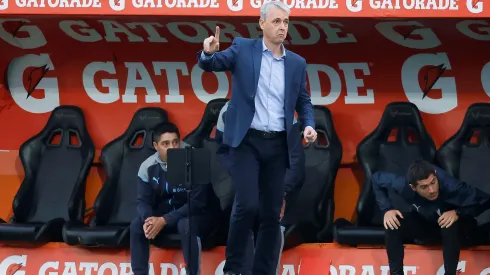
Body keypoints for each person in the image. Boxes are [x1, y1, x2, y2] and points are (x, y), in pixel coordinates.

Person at [197, 1, 317, 273]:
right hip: (246, 142)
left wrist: (308, 124)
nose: (282, 27)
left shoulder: (297, 63)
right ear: (262, 23)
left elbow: (303, 101)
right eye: (276, 21)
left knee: (271, 215)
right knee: (247, 204)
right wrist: (207, 53)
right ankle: (235, 268)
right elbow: (213, 63)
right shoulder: (242, 48)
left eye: (285, 22)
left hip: (278, 144)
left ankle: (263, 270)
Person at [215, 101, 306, 275]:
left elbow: (295, 158)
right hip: (246, 183)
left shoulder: (283, 110)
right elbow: (222, 150)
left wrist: (284, 193)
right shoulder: (229, 110)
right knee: (243, 211)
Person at [372, 160, 490, 275]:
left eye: (433, 182)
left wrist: (457, 212)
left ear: (435, 176)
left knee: (448, 223)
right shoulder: (401, 184)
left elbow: (486, 201)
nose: (432, 190)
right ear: (413, 187)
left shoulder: (453, 187)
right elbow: (376, 178)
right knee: (393, 222)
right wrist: (387, 209)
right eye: (424, 187)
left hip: (458, 230)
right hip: (428, 225)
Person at [130, 122, 216, 275]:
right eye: (165, 143)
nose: (172, 147)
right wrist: (149, 220)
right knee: (138, 224)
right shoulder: (147, 166)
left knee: (186, 224)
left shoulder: (195, 159)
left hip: (197, 214)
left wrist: (164, 220)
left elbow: (197, 202)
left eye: (175, 142)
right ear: (156, 146)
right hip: (168, 215)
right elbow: (142, 201)